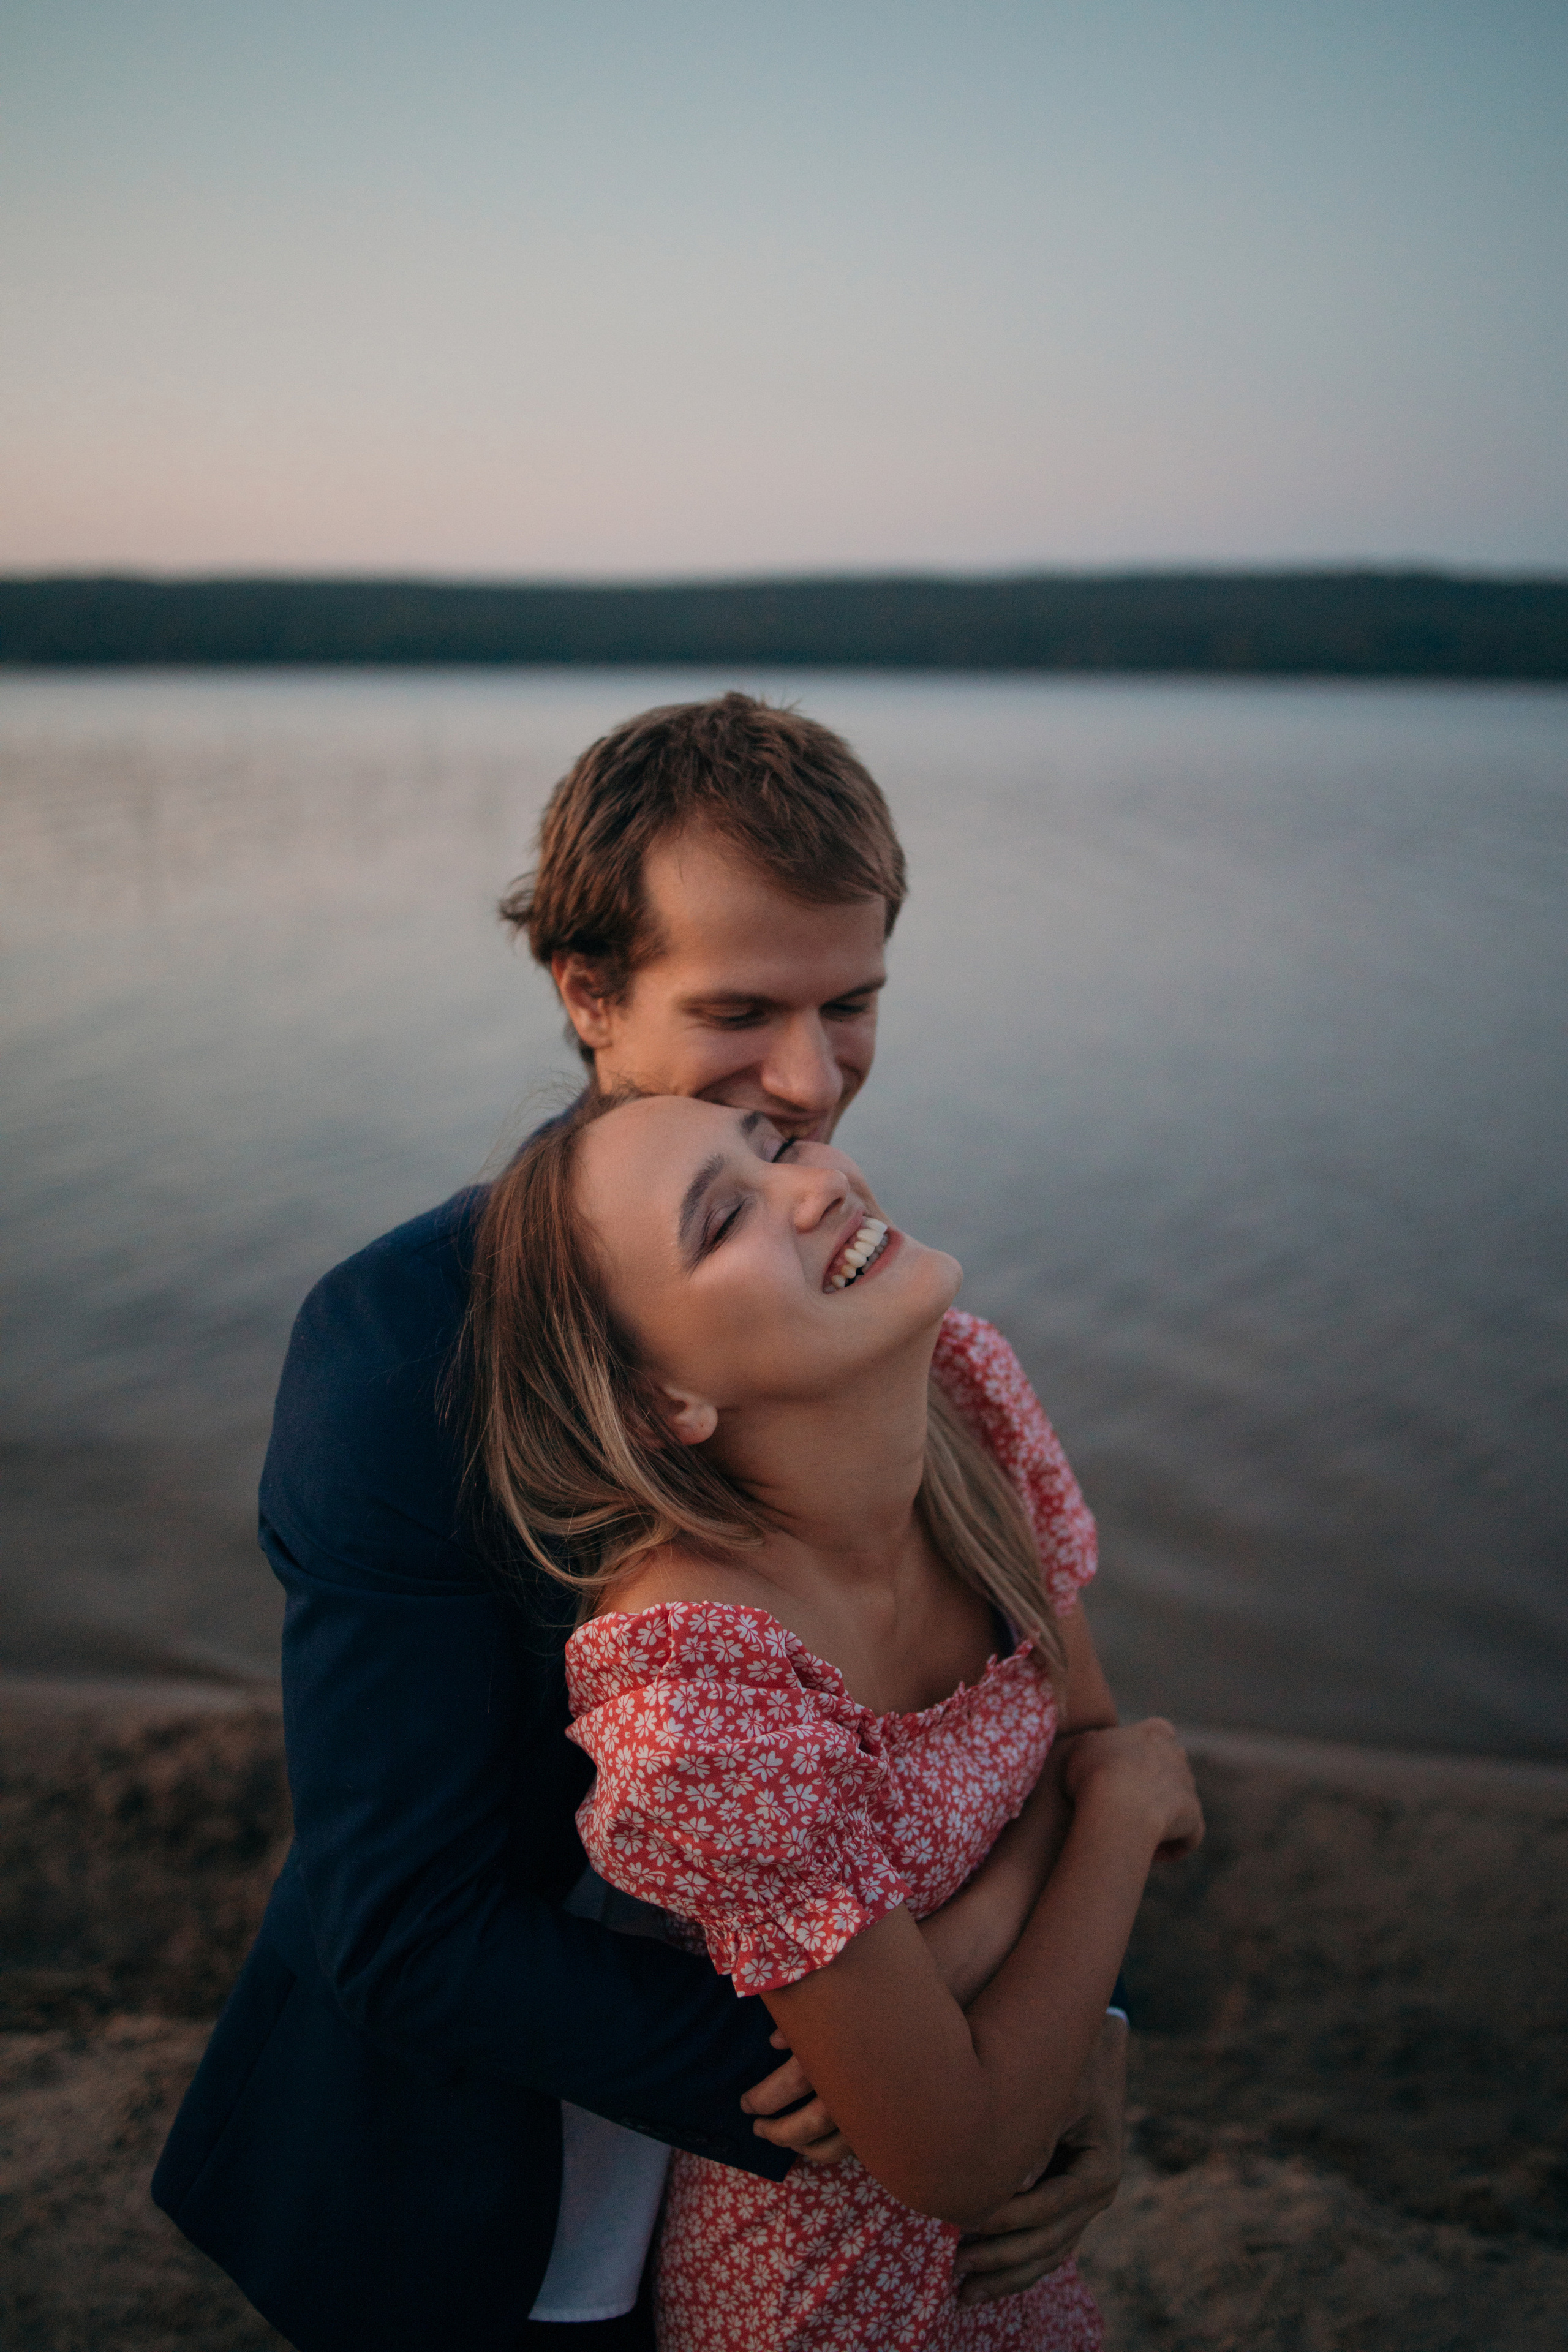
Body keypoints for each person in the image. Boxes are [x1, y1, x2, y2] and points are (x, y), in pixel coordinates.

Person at [154, 694, 1133, 2352]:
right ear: (589, 994)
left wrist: (1079, 2031)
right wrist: (901, 2087)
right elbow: (401, 1919)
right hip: (507, 2198)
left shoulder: (857, 1299)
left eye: (855, 1004)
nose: (816, 1085)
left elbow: (1024, 1728)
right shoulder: (403, 1351)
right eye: (742, 1011)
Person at [461, 1087, 1203, 2351]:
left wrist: (974, 1947)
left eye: (776, 1146)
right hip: (826, 2293)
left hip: (1017, 2268)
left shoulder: (969, 1398)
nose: (814, 1185)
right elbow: (952, 2151)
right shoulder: (699, 1695)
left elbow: (1082, 1740)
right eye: (720, 1220)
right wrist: (1114, 1818)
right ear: (662, 1406)